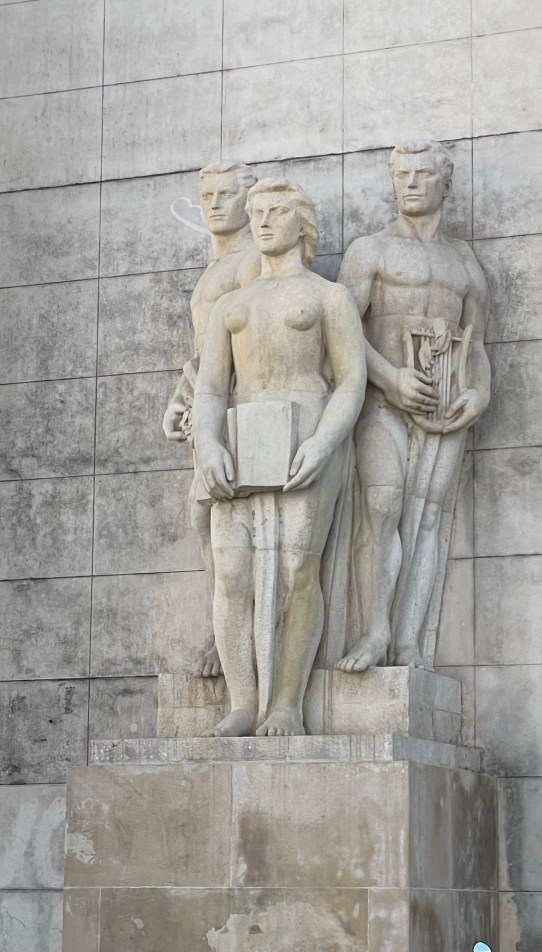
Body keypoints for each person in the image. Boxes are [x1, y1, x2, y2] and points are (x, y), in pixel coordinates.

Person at [192, 179, 366, 736]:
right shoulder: (231, 304)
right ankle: (242, 702)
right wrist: (207, 443)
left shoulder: (328, 296)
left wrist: (324, 441)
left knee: (298, 570)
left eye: (277, 212)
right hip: (241, 436)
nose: (263, 221)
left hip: (306, 433)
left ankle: (287, 702)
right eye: (257, 212)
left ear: (301, 223)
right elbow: (211, 388)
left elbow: (351, 380)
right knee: (231, 574)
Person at [336, 140, 491, 672]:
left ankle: (408, 644)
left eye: (423, 174)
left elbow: (477, 342)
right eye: (402, 174)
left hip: (445, 408)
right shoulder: (370, 250)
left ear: (445, 184)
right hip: (384, 401)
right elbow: (342, 333)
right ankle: (374, 631)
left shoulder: (463, 260)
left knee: (426, 522)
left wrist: (479, 392)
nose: (411, 182)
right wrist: (390, 378)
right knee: (381, 508)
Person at [163, 162, 261, 677]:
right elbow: (203, 354)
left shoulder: (252, 264)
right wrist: (182, 400)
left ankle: (238, 636)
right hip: (207, 405)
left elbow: (254, 346)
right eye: (207, 196)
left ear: (249, 200)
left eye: (227, 194)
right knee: (204, 521)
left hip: (239, 407)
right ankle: (225, 630)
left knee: (229, 524)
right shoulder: (213, 269)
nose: (215, 204)